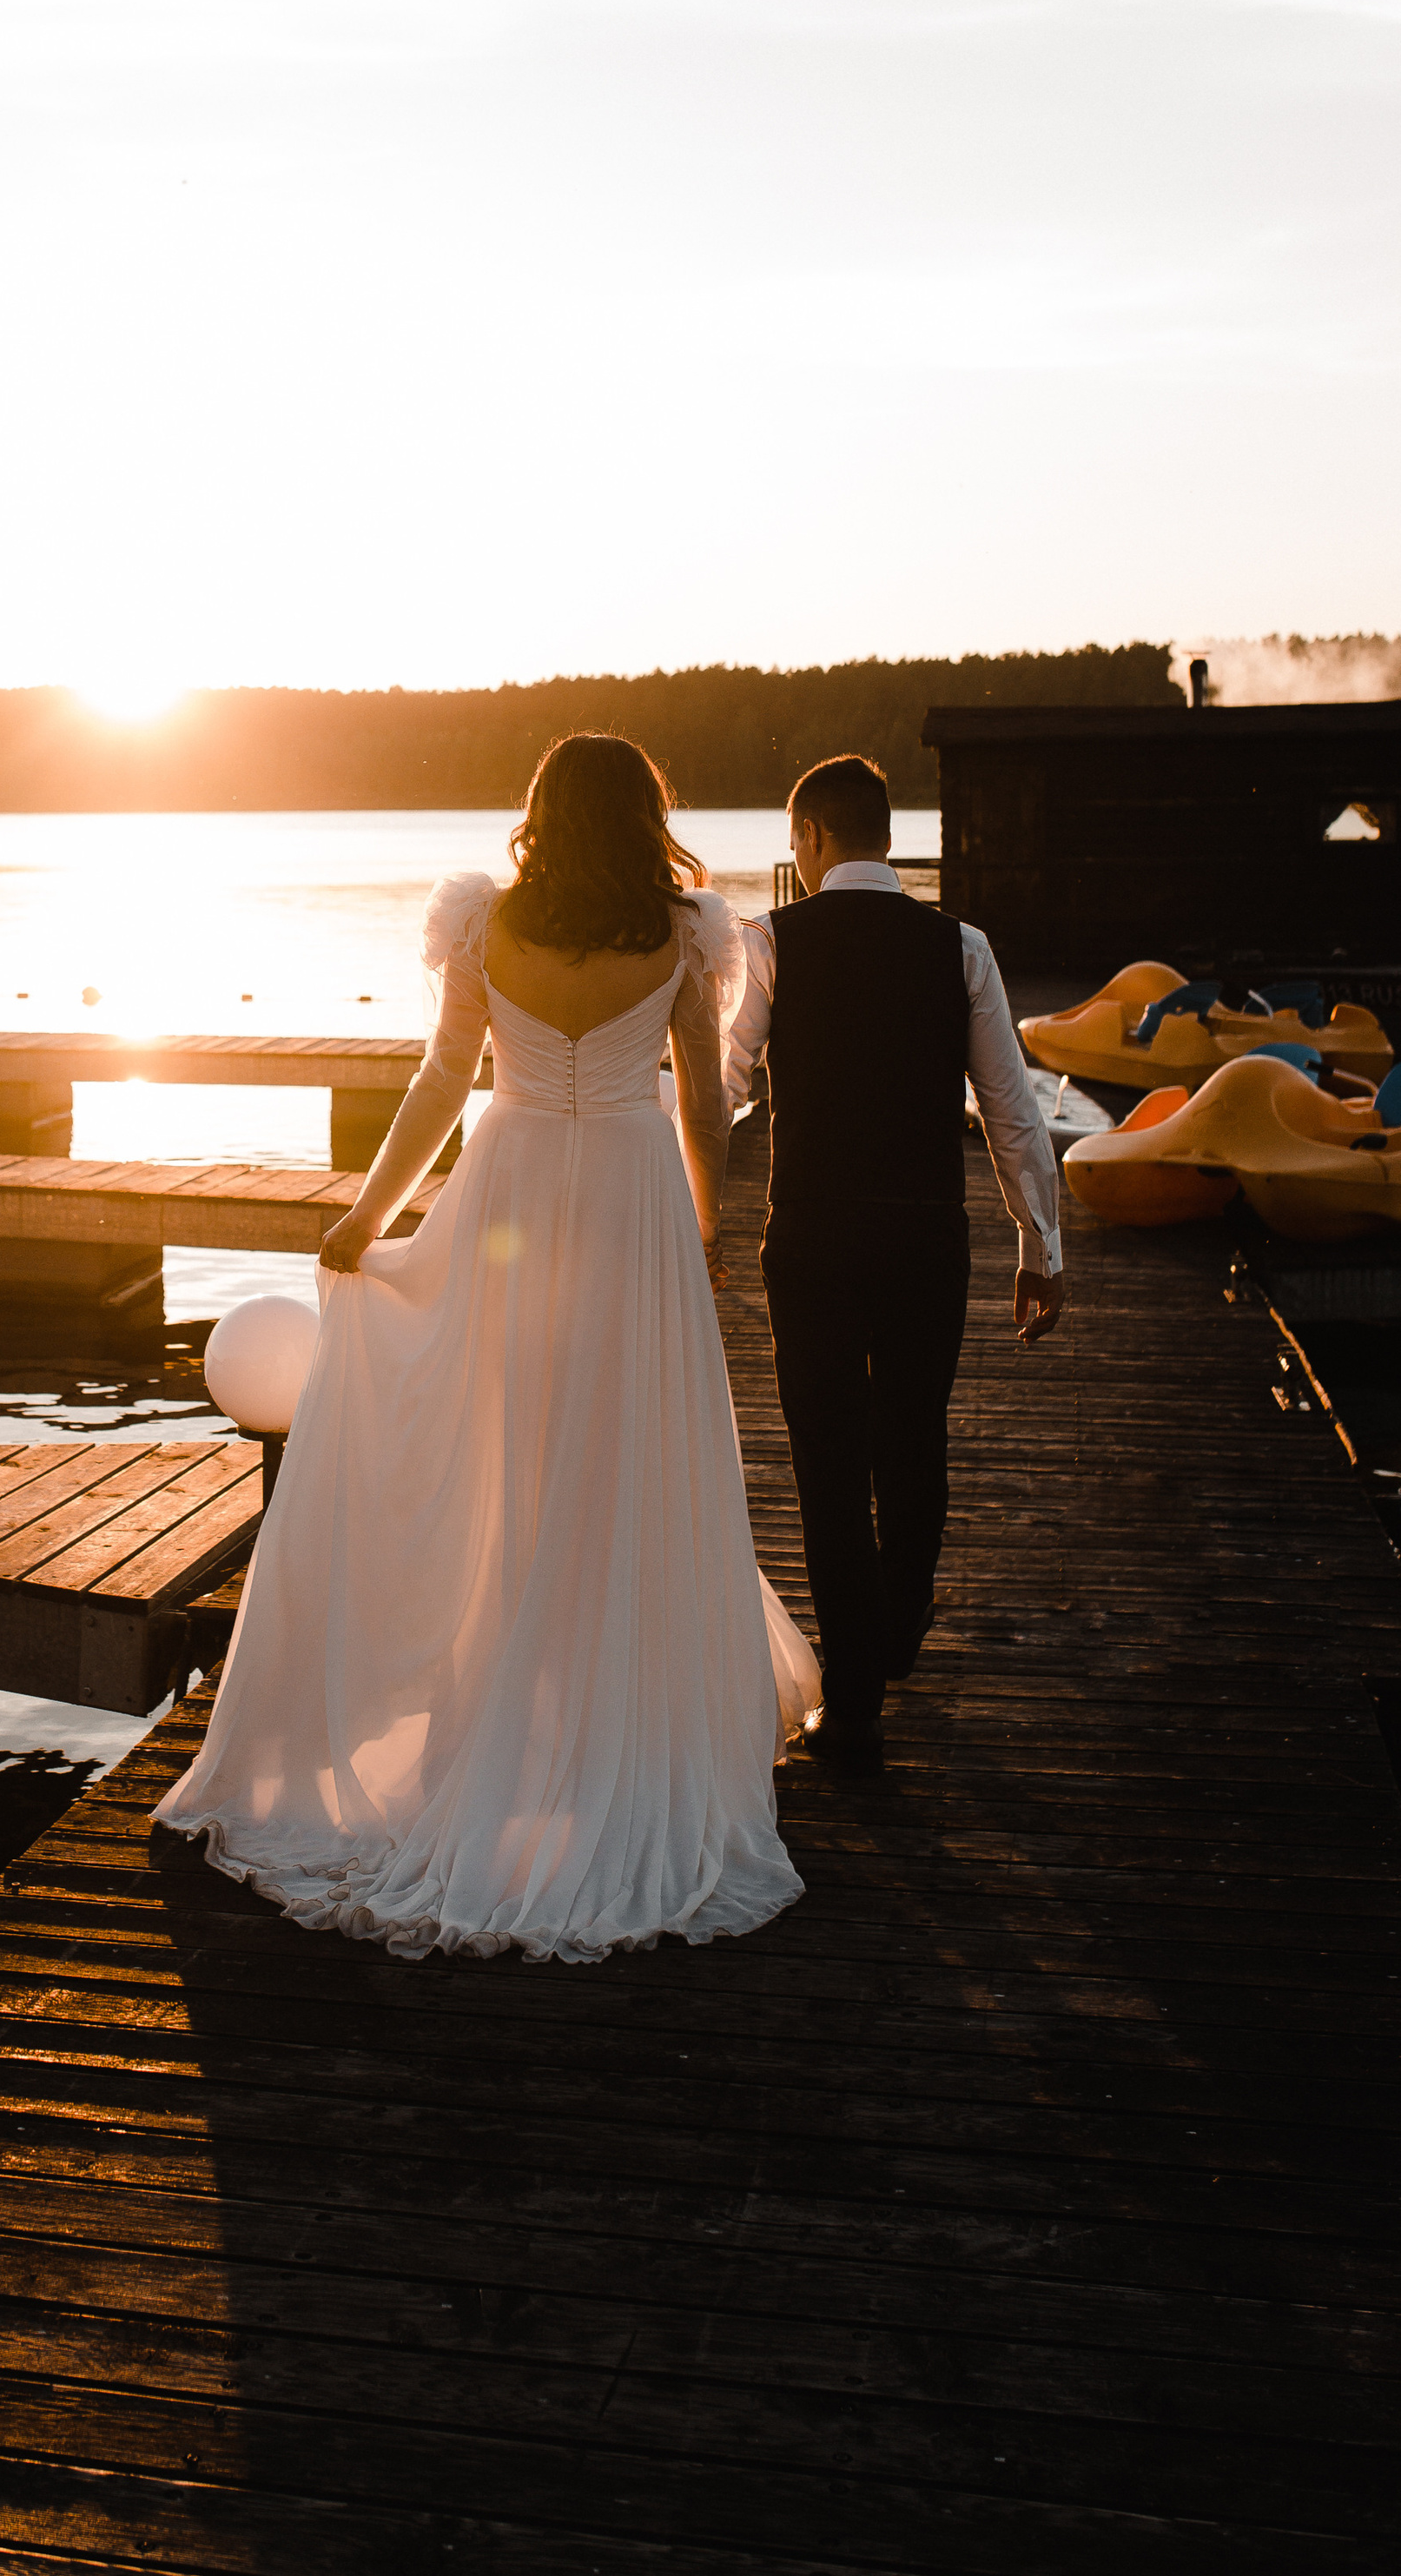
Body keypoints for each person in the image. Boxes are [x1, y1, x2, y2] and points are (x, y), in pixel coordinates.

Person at [154, 732, 819, 1960]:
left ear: (539, 817)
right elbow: (703, 1100)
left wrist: (371, 1213)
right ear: (641, 816)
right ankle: (598, 1718)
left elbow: (440, 1081)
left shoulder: (484, 928)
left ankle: (513, 1707)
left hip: (508, 1195)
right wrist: (707, 1228)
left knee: (513, 1455)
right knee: (626, 1462)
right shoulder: (682, 934)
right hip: (629, 1208)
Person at [724, 752, 1064, 1776]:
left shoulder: (770, 940)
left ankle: (857, 1699)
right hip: (926, 1237)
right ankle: (901, 1606)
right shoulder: (960, 946)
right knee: (912, 1432)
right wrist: (1039, 1246)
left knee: (828, 1461)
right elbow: (1010, 1110)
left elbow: (725, 1080)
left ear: (811, 839)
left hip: (814, 1238)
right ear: (884, 833)